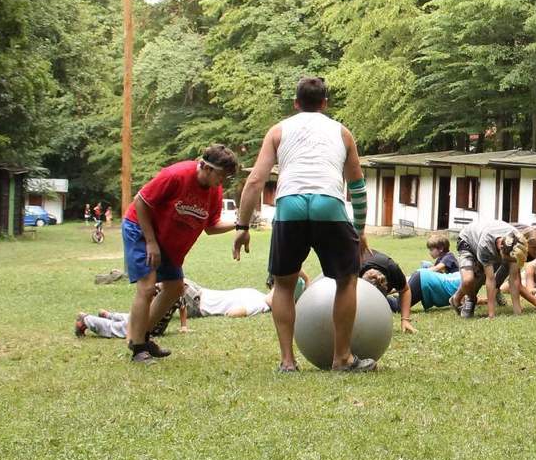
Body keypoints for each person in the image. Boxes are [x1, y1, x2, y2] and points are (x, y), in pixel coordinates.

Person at [234, 76, 375, 373]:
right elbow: (357, 186)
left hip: (290, 205)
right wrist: (360, 229)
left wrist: (242, 227)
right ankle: (342, 358)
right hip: (328, 205)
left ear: (296, 103)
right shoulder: (342, 132)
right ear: (325, 103)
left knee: (284, 284)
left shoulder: (278, 131)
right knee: (346, 280)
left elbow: (255, 180)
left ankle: (287, 362)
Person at [121, 144, 240, 363]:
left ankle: (141, 337)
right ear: (206, 167)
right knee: (147, 287)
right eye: (221, 175)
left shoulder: (215, 190)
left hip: (167, 239)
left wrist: (238, 224)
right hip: (141, 229)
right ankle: (138, 348)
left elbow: (211, 226)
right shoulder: (176, 175)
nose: (222, 181)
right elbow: (141, 201)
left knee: (175, 287)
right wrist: (150, 242)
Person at [452, 219, 536, 319]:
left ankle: (460, 299)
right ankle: (471, 299)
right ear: (501, 251)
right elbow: (490, 280)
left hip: (489, 236)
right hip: (468, 240)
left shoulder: (517, 242)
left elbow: (514, 279)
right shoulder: (485, 246)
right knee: (469, 280)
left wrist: (518, 312)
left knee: (481, 277)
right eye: (509, 260)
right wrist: (491, 315)